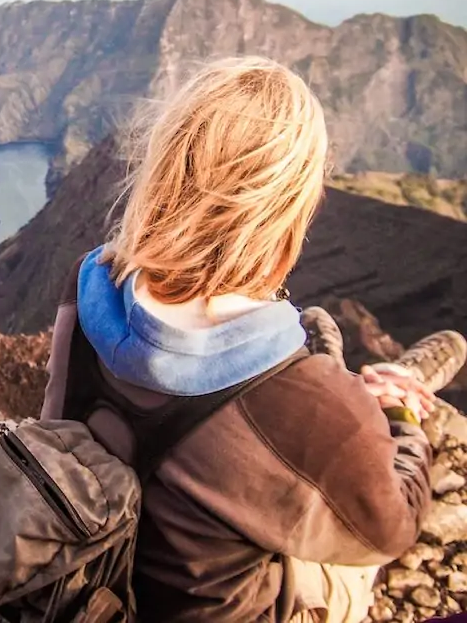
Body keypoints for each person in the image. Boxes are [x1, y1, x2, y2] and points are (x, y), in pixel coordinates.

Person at [39, 56, 467, 623]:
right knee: (344, 565)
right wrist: (400, 418)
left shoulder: (91, 283)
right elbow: (392, 528)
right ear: (290, 208)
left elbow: (56, 418)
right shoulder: (302, 398)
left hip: (82, 567)